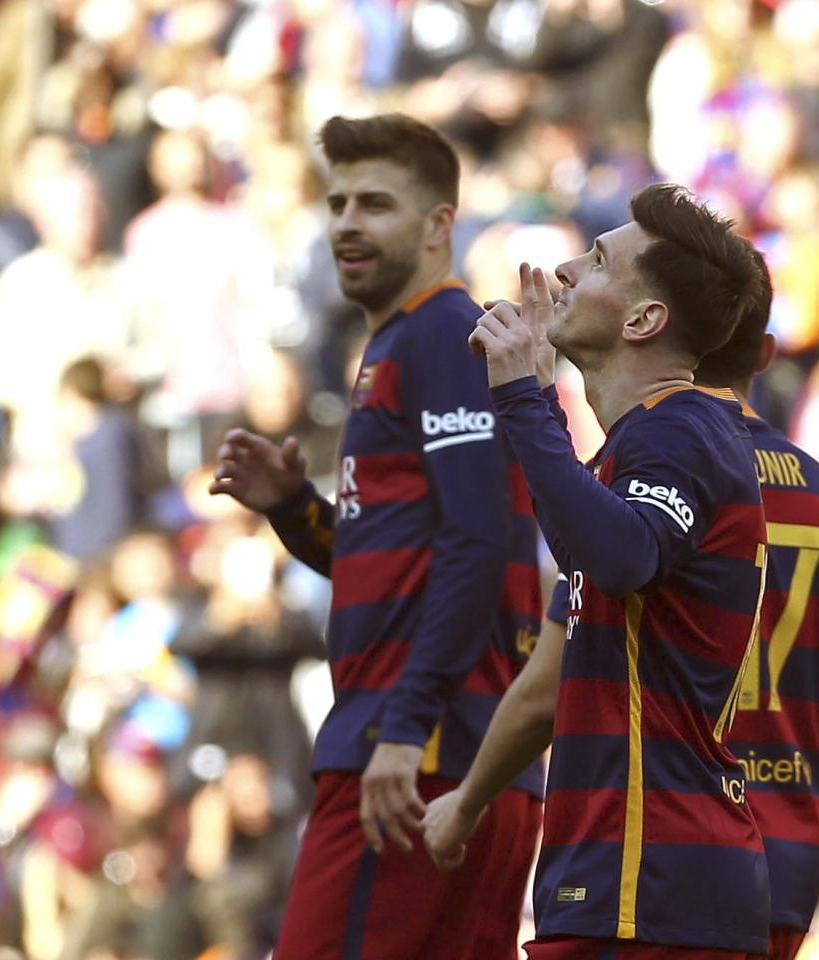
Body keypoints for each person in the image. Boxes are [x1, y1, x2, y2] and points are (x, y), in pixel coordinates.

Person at [206, 113, 543, 960]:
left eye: (377, 204)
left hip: (414, 756)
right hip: (461, 756)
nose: (349, 223)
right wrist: (295, 508)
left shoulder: (437, 334)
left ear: (439, 225)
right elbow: (413, 554)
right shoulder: (401, 342)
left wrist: (403, 728)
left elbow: (478, 540)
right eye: (339, 203)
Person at [421, 184, 771, 959]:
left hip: (650, 880)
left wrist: (520, 396)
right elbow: (571, 617)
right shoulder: (627, 452)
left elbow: (620, 559)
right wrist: (540, 393)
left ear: (645, 320)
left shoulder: (681, 429)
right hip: (622, 875)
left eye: (599, 259)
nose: (567, 270)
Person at [537, 251, 819, 960]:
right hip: (776, 856)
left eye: (599, 259)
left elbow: (550, 683)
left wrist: (470, 798)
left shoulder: (644, 463)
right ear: (767, 352)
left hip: (653, 855)